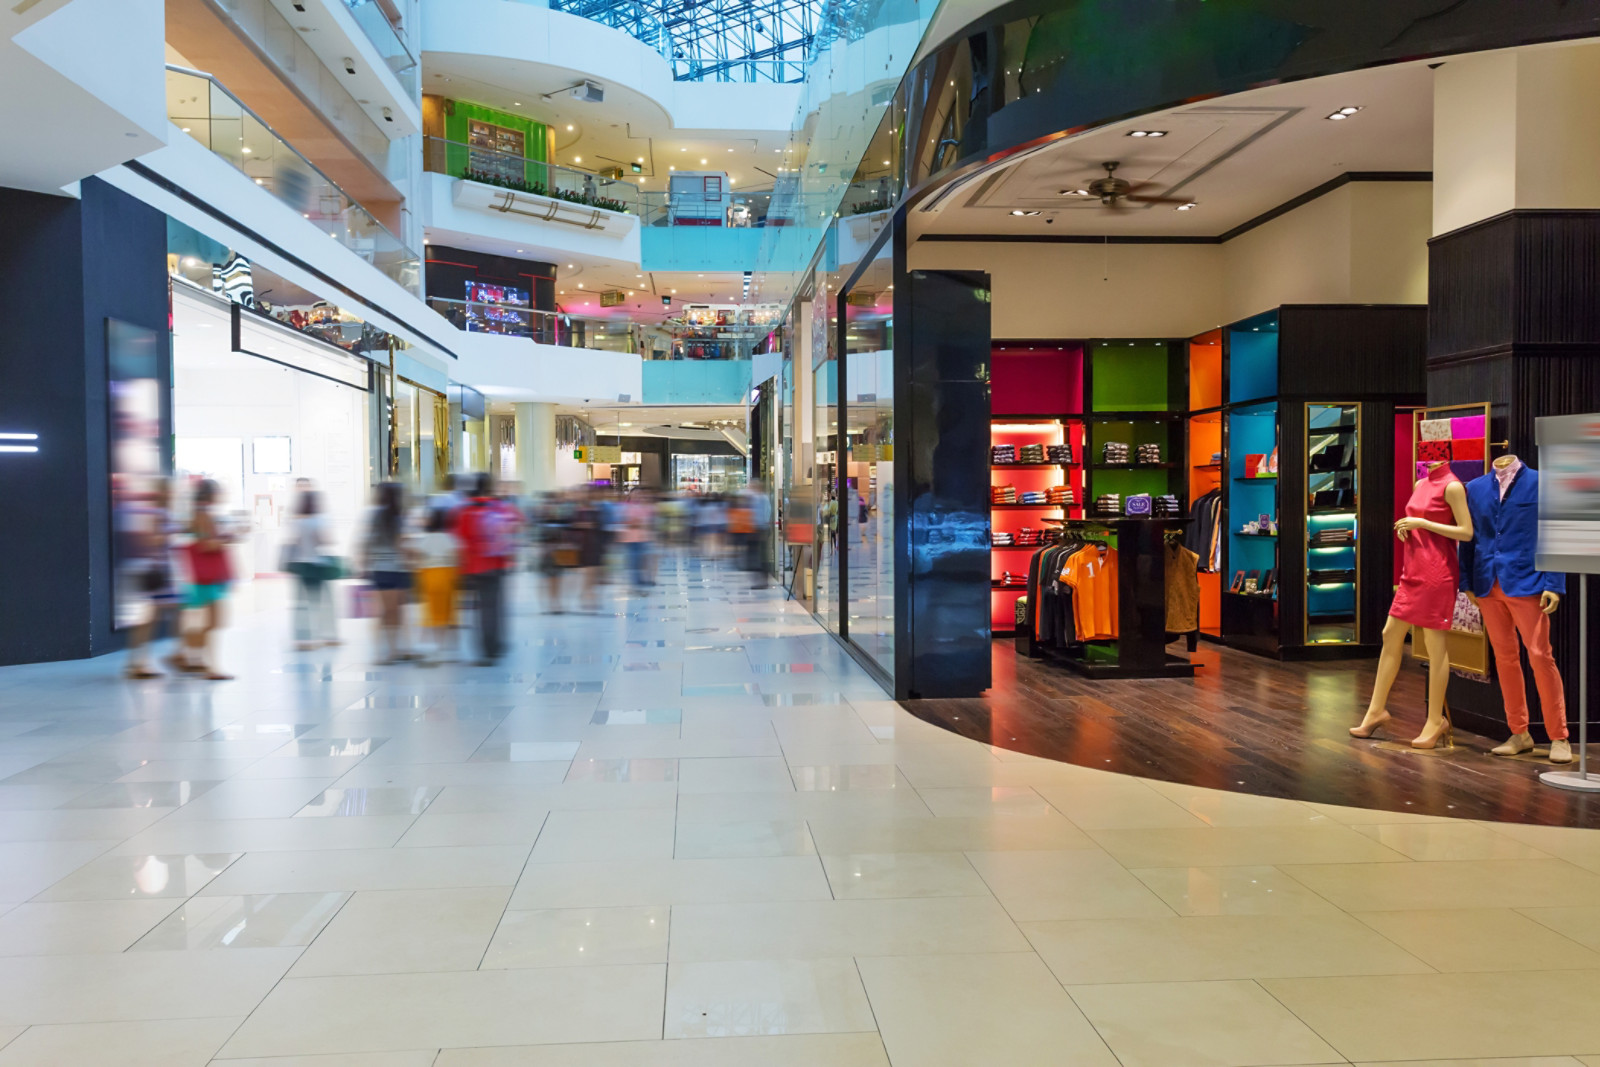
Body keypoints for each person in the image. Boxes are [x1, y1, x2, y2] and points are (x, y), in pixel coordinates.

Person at [1350, 461, 1475, 749]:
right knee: (1390, 634)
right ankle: (1375, 710)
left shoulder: (1453, 486)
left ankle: (1435, 720)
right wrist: (1406, 527)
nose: (1428, 458)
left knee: (1435, 643)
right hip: (1413, 570)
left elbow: (1466, 532)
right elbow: (1416, 518)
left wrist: (1422, 523)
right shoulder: (1421, 484)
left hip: (1437, 573)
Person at [456, 473, 521, 664]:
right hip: (498, 563)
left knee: (482, 609)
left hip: (475, 566)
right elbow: (516, 524)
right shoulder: (499, 507)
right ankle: (497, 644)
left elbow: (461, 540)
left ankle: (486, 651)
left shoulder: (466, 510)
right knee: (497, 605)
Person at [174, 478, 235, 680]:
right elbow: (205, 545)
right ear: (212, 495)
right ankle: (207, 664)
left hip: (204, 577)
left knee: (212, 621)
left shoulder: (199, 513)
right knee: (215, 621)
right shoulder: (202, 514)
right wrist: (226, 539)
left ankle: (185, 653)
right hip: (207, 578)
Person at [123, 477, 180, 679]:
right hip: (158, 572)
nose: (173, 494)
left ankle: (137, 662)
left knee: (151, 617)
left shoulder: (156, 513)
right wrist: (169, 533)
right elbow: (153, 539)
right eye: (170, 491)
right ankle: (170, 657)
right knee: (165, 614)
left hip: (156, 571)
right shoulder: (159, 513)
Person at [361, 481, 415, 665]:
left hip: (380, 568)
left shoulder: (375, 516)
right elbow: (402, 544)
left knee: (385, 612)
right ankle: (391, 650)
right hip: (397, 568)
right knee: (394, 612)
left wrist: (365, 564)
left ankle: (385, 651)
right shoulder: (397, 517)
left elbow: (367, 542)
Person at [285, 479, 338, 650]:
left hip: (300, 565)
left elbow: (293, 540)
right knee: (323, 602)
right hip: (316, 565)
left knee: (301, 603)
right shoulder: (317, 521)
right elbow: (325, 540)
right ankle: (328, 636)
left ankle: (302, 639)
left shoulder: (296, 521)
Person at [415, 507, 459, 662]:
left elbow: (418, 558)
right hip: (446, 575)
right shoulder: (450, 538)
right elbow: (455, 556)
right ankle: (445, 644)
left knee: (431, 612)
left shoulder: (425, 539)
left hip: (428, 576)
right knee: (446, 612)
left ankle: (432, 645)